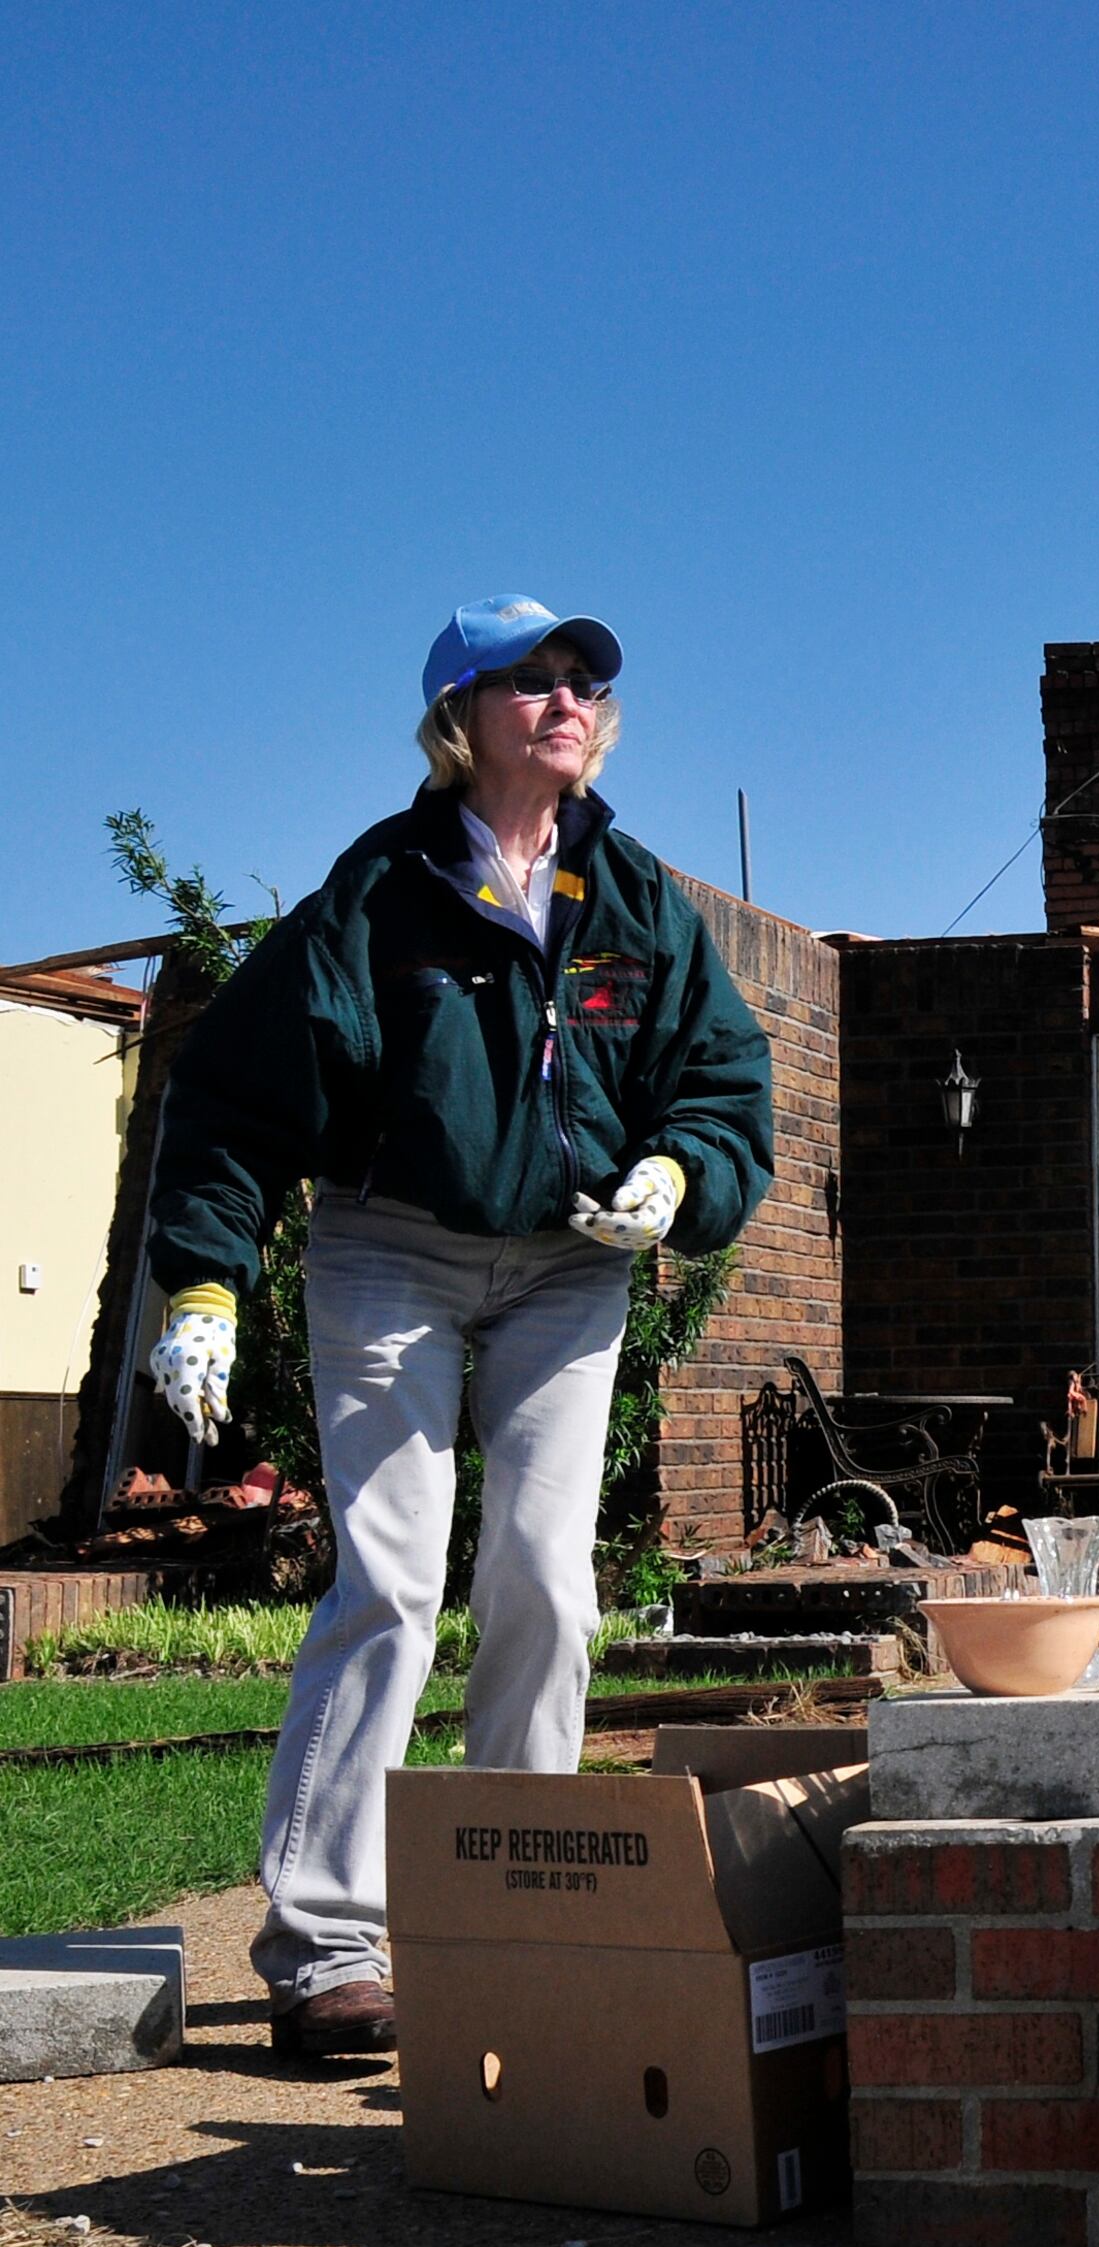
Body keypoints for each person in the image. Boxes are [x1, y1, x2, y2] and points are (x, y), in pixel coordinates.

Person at [140, 596, 776, 2058]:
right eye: (533, 678)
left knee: (549, 1577)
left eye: (585, 680)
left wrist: (681, 1176)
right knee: (392, 1579)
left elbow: (724, 1079)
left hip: (570, 1266)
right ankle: (325, 1947)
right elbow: (233, 1100)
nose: (569, 698)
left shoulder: (633, 900)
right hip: (394, 1253)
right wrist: (204, 1284)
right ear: (460, 716)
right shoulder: (380, 895)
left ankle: (510, 1914)